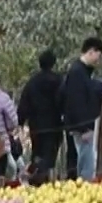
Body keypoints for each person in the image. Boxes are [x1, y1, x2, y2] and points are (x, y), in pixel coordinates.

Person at [58, 38, 102, 181]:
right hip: (82, 127)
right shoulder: (77, 72)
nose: (99, 59)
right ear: (91, 51)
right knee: (88, 164)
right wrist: (84, 128)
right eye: (99, 55)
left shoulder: (82, 72)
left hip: (83, 124)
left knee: (85, 160)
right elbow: (76, 101)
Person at [16, 51, 65, 182]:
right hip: (54, 124)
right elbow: (64, 100)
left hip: (36, 125)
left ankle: (37, 175)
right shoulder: (59, 80)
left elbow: (24, 103)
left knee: (37, 152)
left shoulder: (32, 82)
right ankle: (43, 176)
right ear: (54, 63)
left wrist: (20, 121)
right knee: (50, 154)